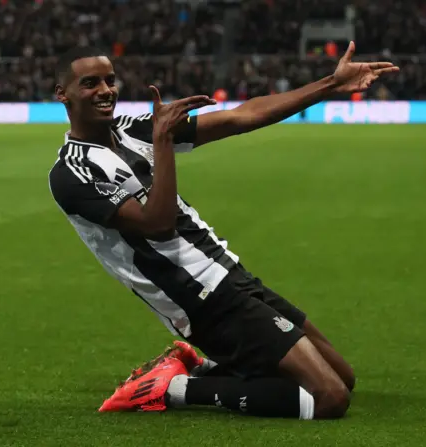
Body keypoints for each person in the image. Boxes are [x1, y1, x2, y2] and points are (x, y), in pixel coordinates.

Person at [48, 42, 399, 420]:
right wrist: (163, 141)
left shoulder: (133, 130)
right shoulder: (72, 172)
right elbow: (158, 225)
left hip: (229, 272)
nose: (105, 90)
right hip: (199, 298)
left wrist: (330, 84)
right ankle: (176, 388)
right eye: (89, 83)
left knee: (343, 379)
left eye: (109, 80)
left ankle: (204, 367)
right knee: (329, 398)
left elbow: (240, 117)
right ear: (63, 94)